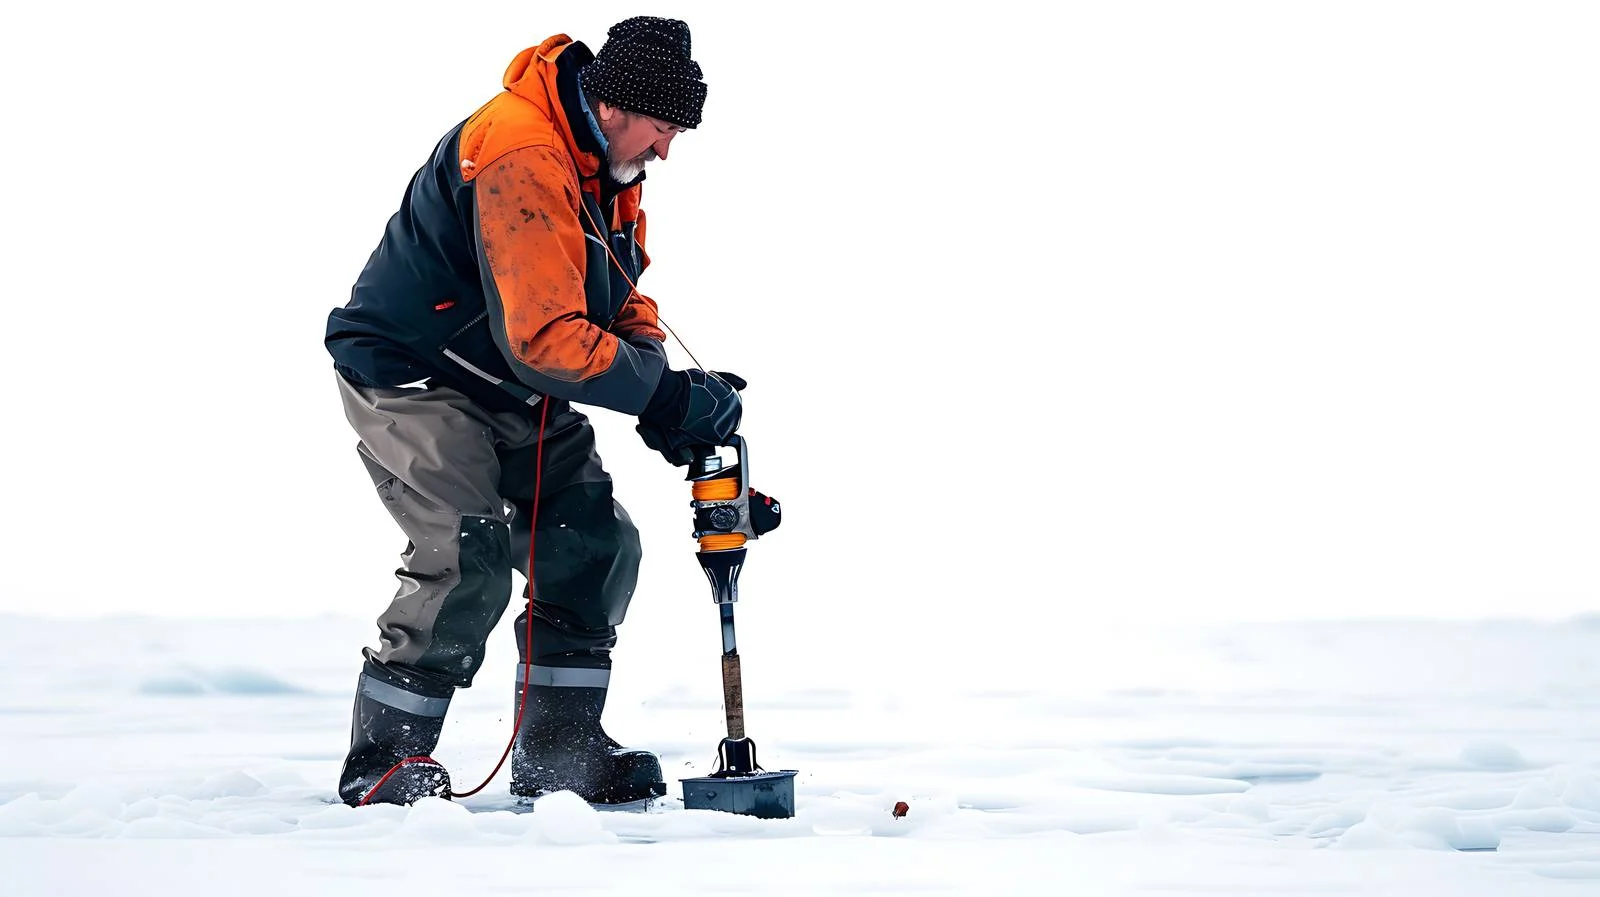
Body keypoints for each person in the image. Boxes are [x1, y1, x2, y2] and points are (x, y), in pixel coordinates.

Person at [323, 16, 745, 808]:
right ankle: (383, 762)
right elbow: (545, 341)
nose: (666, 151)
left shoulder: (605, 165)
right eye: (663, 129)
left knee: (592, 541)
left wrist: (662, 384)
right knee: (468, 548)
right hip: (414, 375)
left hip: (506, 381)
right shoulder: (520, 149)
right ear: (618, 105)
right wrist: (657, 394)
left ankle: (561, 754)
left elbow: (615, 291)